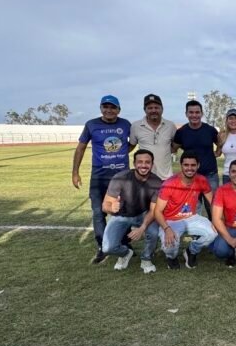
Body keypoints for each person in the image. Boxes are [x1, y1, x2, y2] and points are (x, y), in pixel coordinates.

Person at [72, 94, 131, 264]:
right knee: (99, 212)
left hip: (122, 177)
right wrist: (75, 172)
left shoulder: (125, 124)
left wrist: (121, 153)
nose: (109, 110)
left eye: (113, 107)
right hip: (99, 176)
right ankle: (102, 246)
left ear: (118, 110)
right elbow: (80, 148)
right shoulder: (91, 125)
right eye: (105, 107)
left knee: (122, 211)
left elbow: (132, 143)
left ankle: (123, 243)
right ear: (101, 108)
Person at [99, 149, 163, 273]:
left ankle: (146, 258)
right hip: (122, 214)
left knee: (154, 233)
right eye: (140, 162)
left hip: (144, 213)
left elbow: (153, 210)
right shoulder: (120, 178)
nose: (143, 165)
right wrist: (111, 208)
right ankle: (125, 253)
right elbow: (105, 205)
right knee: (107, 248)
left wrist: (142, 228)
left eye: (147, 162)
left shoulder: (157, 182)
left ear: (152, 164)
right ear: (134, 164)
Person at [152, 151, 218, 269]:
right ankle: (171, 257)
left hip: (191, 217)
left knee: (212, 233)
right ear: (181, 165)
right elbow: (157, 211)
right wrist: (167, 229)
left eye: (193, 165)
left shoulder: (202, 180)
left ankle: (191, 251)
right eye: (186, 165)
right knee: (170, 247)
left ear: (198, 165)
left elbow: (213, 203)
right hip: (171, 220)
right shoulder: (169, 184)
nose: (189, 168)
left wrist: (216, 221)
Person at [173, 100, 220, 217]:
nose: (194, 115)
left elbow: (220, 142)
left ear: (201, 113)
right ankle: (196, 234)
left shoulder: (209, 130)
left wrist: (218, 151)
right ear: (186, 114)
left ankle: (215, 232)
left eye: (197, 112)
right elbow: (174, 148)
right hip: (191, 177)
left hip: (210, 175)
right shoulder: (181, 132)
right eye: (191, 112)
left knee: (213, 206)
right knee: (194, 207)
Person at [129, 94, 177, 180]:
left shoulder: (170, 126)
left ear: (162, 109)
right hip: (144, 177)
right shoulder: (135, 126)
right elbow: (131, 146)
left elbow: (175, 147)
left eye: (156, 107)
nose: (153, 110)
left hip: (166, 178)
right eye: (150, 108)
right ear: (145, 110)